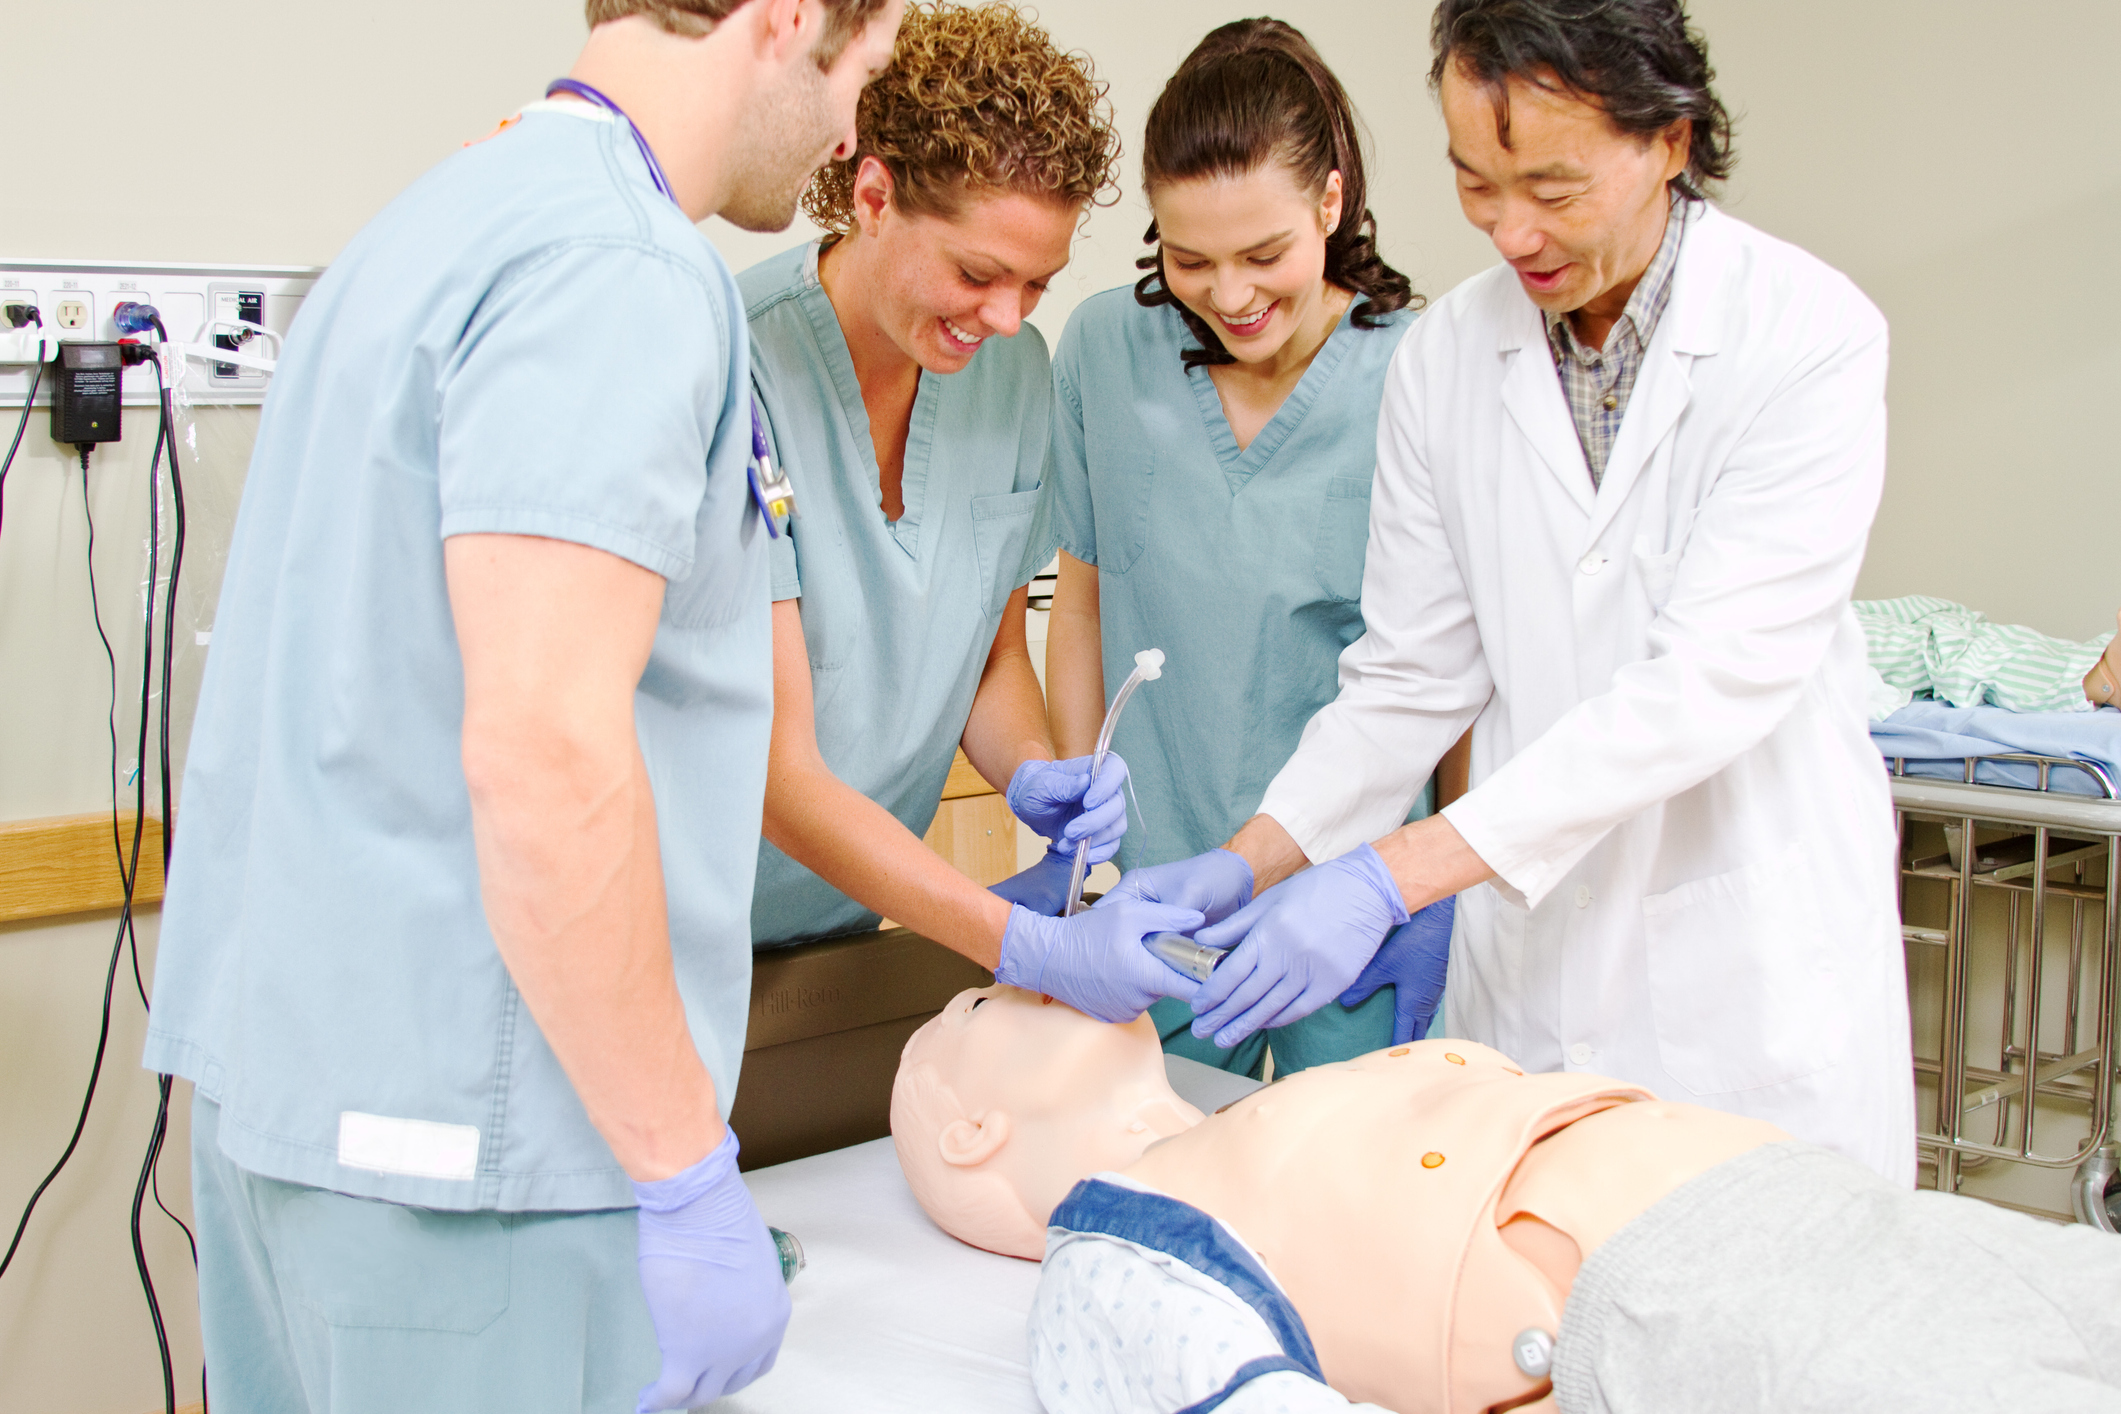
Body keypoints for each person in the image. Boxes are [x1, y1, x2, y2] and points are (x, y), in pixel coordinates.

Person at [142, 2, 901, 1410]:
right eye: (862, 71)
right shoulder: (621, 270)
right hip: (479, 1178)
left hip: (287, 1121)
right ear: (790, 18)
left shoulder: (418, 235)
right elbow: (549, 750)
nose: (852, 130)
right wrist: (683, 1168)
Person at [1143, 0, 1916, 1181]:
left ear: (1670, 139)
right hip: (1535, 997)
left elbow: (1703, 689)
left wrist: (1393, 875)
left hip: (1745, 985)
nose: (1509, 231)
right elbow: (1409, 678)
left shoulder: (1807, 339)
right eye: (1473, 182)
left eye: (1550, 189)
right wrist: (1253, 858)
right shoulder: (1447, 360)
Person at [892, 987, 2121, 1414]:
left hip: (1799, 1198)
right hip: (1670, 1306)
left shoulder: (1238, 1125)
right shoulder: (1116, 1237)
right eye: (984, 1004)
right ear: (973, 1129)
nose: (1019, 969)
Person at [743, 0, 1207, 1011]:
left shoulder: (1012, 378)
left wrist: (1034, 768)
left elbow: (990, 658)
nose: (1004, 319)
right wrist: (1022, 944)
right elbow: (777, 772)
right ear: (872, 195)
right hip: (681, 934)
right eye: (976, 273)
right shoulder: (740, 370)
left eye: (1037, 285)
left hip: (847, 934)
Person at [1042, 18, 1456, 1077]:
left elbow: (1452, 677)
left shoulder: (1422, 372)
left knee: (1340, 1211)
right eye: (1191, 258)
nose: (1230, 295)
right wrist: (1084, 859)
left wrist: (1429, 893)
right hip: (1155, 899)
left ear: (1331, 200)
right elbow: (1082, 608)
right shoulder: (1103, 351)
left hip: (1345, 905)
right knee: (1156, 1205)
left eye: (1264, 254)